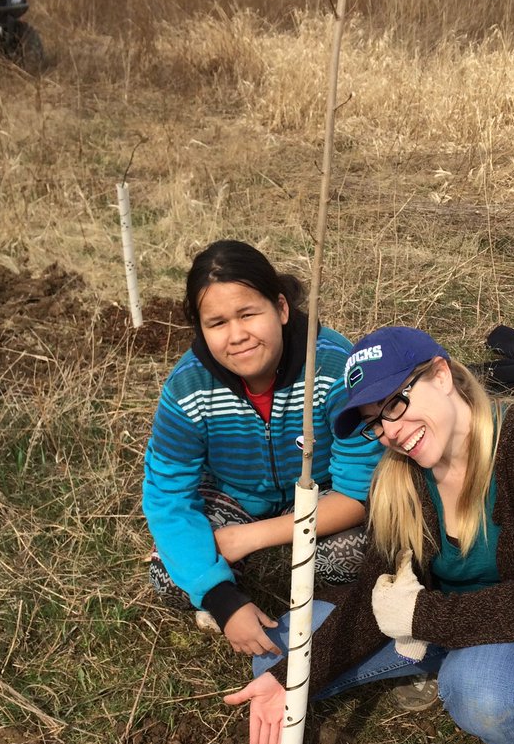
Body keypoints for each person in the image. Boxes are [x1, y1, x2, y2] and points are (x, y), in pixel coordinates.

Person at [224, 325, 514, 744]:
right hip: (436, 628)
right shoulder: (399, 476)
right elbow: (375, 597)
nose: (390, 430)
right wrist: (286, 680)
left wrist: (421, 616)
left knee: (480, 693)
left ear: (442, 374)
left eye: (395, 402)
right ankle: (432, 663)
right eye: (373, 421)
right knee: (278, 660)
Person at [143, 240, 383, 658]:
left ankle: (332, 604)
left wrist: (246, 539)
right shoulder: (187, 388)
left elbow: (359, 493)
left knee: (360, 553)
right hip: (232, 496)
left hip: (322, 494)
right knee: (168, 573)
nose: (236, 336)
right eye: (216, 323)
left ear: (282, 309)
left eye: (248, 314)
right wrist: (220, 599)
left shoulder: (332, 369)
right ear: (200, 328)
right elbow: (168, 499)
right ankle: (229, 587)